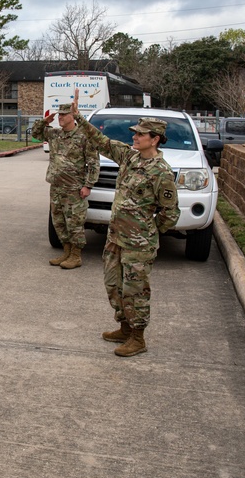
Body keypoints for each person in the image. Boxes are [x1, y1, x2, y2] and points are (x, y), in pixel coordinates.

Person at [71, 94, 179, 357]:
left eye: (141, 134)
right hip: (116, 238)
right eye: (135, 133)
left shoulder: (161, 172)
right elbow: (102, 141)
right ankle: (125, 328)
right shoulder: (130, 158)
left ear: (154, 139)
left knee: (135, 291)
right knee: (113, 284)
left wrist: (147, 233)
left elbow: (170, 213)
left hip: (138, 245)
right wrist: (78, 118)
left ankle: (138, 338)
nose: (135, 137)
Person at [31, 102, 100, 269]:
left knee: (74, 222)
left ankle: (76, 255)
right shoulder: (55, 134)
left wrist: (88, 185)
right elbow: (36, 134)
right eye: (59, 114)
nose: (60, 117)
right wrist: (44, 122)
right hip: (56, 187)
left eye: (63, 114)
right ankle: (67, 251)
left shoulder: (84, 137)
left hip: (74, 189)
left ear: (72, 116)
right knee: (59, 222)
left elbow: (93, 163)